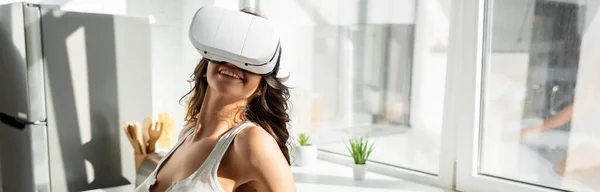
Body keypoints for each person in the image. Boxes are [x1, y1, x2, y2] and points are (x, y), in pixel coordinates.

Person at [135, 8, 296, 192]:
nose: (233, 62)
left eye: (249, 59)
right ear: (205, 68)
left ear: (261, 86)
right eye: (225, 51)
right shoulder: (186, 134)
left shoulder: (252, 143)